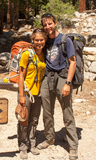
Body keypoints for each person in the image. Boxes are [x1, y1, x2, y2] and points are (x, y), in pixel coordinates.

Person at [37, 13, 78, 160]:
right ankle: (49, 138)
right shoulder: (45, 40)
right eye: (45, 25)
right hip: (47, 78)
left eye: (49, 24)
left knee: (67, 112)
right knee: (47, 112)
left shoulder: (65, 40)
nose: (47, 27)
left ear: (55, 23)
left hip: (62, 78)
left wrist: (68, 83)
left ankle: (73, 146)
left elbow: (72, 62)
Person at [17, 29, 47, 159]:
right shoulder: (26, 54)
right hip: (27, 93)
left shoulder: (44, 54)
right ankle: (23, 147)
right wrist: (21, 96)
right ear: (33, 41)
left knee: (34, 120)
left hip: (38, 94)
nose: (39, 42)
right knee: (24, 120)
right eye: (37, 40)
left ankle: (32, 144)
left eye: (41, 40)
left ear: (45, 40)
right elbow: (21, 76)